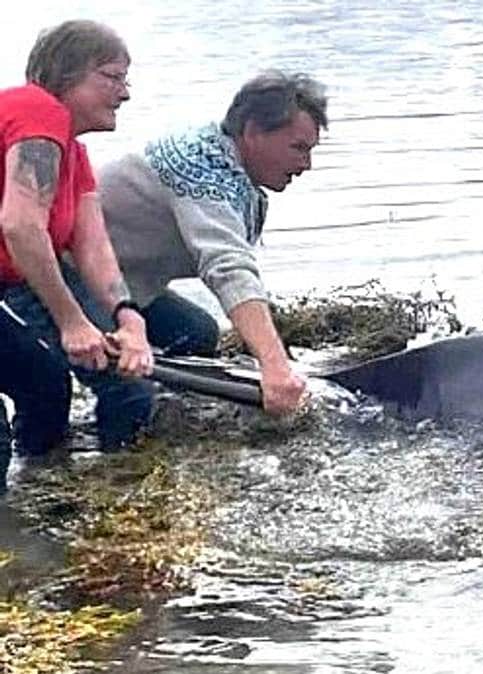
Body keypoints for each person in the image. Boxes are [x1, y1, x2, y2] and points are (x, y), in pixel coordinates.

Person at [98, 71, 326, 417]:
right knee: (131, 389)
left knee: (195, 334)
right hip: (63, 276)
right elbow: (228, 267)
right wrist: (275, 367)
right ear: (252, 132)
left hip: (125, 285)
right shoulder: (201, 169)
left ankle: (173, 423)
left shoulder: (227, 162)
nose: (306, 164)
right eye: (298, 148)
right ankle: (108, 454)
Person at [0, 20, 156, 475]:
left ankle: (62, 504)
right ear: (64, 76)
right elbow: (20, 226)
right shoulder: (37, 110)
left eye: (125, 80)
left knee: (52, 384)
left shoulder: (75, 151)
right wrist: (72, 323)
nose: (124, 93)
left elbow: (93, 245)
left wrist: (130, 319)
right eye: (111, 77)